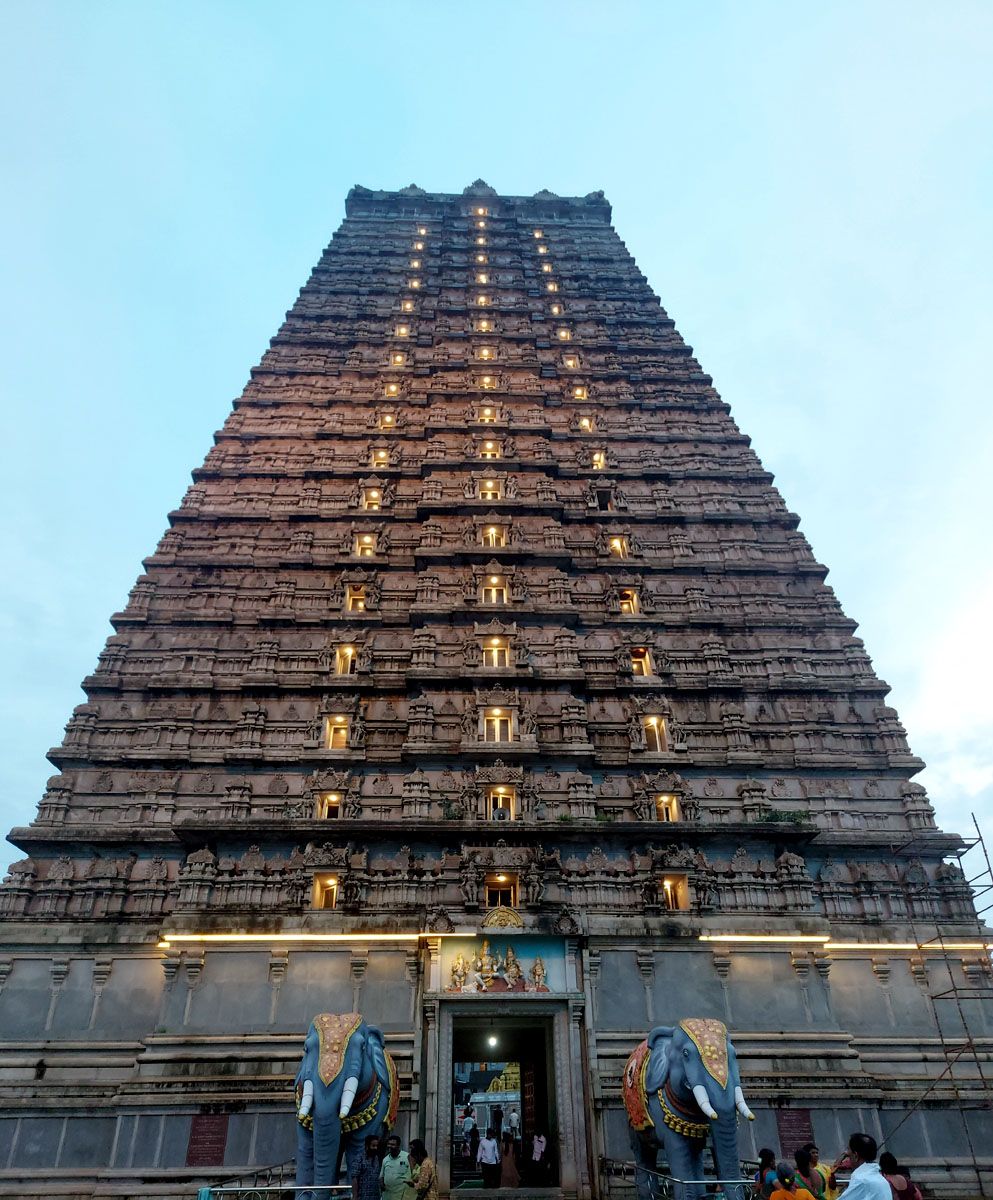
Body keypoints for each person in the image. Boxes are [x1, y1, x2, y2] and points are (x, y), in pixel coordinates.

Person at [831, 1133, 891, 1200]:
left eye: (849, 1156)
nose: (848, 1159)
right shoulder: (882, 1180)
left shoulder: (861, 1180)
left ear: (856, 1156)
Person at [380, 1134, 413, 1200]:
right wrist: (381, 1184)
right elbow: (381, 1176)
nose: (390, 1146)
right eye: (389, 1144)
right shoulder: (385, 1159)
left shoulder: (407, 1157)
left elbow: (414, 1173)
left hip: (402, 1195)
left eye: (393, 1144)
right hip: (388, 1195)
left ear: (398, 1146)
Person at [352, 1134, 381, 1200]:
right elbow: (354, 1178)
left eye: (376, 1146)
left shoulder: (376, 1158)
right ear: (367, 1145)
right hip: (362, 1196)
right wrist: (355, 1196)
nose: (375, 1148)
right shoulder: (359, 1158)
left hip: (375, 1196)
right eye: (373, 1146)